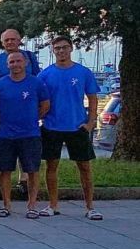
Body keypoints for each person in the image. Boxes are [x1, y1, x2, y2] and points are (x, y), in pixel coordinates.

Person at [38, 36, 102, 220]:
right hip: (52, 126)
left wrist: (90, 122)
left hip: (77, 127)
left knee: (85, 167)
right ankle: (53, 205)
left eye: (64, 47)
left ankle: (90, 207)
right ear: (53, 51)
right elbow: (39, 100)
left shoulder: (83, 72)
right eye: (57, 48)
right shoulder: (45, 74)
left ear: (71, 48)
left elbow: (92, 99)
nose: (61, 51)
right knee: (51, 166)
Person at [0, 52, 50, 219]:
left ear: (25, 63)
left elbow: (45, 104)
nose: (15, 64)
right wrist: (0, 121)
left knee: (32, 170)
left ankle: (32, 205)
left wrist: (34, 118)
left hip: (30, 134)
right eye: (12, 62)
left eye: (18, 61)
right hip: (6, 134)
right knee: (4, 170)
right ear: (7, 65)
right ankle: (6, 205)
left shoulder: (36, 83)